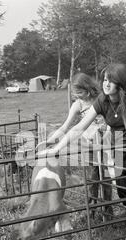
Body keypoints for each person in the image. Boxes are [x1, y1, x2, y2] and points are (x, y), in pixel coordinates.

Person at [39, 63, 126, 230]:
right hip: (117, 148)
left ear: (121, 84)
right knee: (123, 191)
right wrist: (55, 149)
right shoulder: (102, 100)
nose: (106, 84)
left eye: (111, 81)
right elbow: (78, 128)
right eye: (104, 79)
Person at [46, 72, 113, 215]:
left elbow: (111, 119)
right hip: (89, 146)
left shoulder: (101, 99)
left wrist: (107, 130)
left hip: (106, 143)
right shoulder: (78, 105)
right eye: (76, 94)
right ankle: (92, 210)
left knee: (106, 178)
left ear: (88, 88)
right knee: (92, 179)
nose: (78, 96)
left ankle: (108, 210)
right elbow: (65, 127)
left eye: (80, 92)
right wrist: (49, 141)